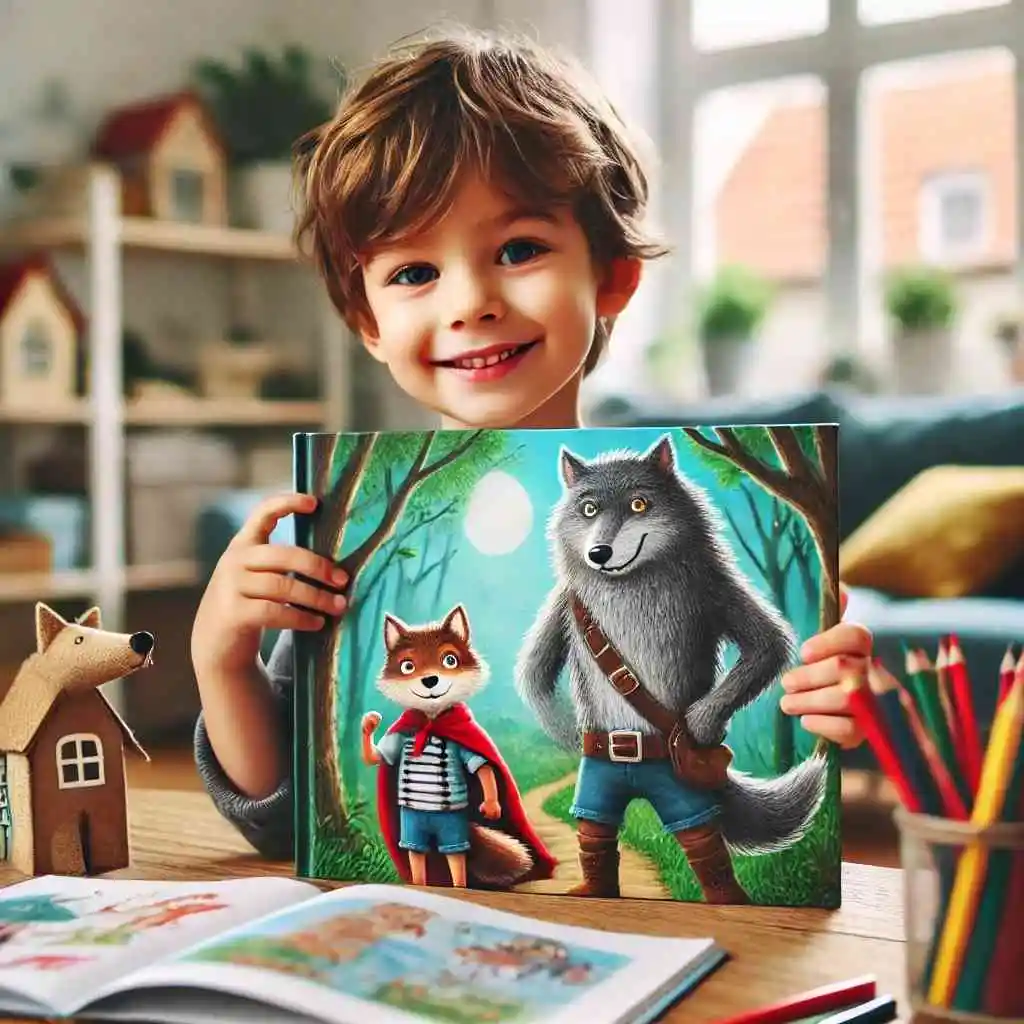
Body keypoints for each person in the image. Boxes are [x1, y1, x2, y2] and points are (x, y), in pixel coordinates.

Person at [190, 27, 873, 861]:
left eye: (518, 250)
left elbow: (779, 661)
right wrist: (222, 657)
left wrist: (834, 704)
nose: (471, 301)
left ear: (612, 273)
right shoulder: (341, 540)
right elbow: (280, 822)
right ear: (368, 319)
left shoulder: (674, 517)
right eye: (413, 272)